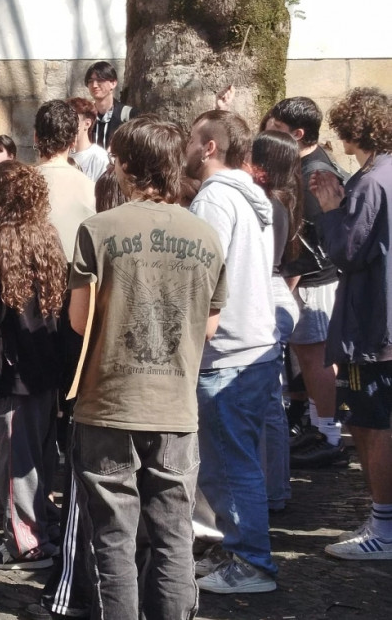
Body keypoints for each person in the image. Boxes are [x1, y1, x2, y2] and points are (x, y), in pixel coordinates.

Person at [66, 117, 227, 620]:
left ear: (128, 165)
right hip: (175, 406)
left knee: (114, 541)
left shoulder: (99, 229)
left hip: (110, 402)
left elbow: (79, 321)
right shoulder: (205, 235)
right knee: (174, 537)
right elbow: (210, 327)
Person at [187, 110, 280, 593]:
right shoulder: (250, 197)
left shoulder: (215, 200)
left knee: (231, 462)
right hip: (255, 344)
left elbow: (203, 280)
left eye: (191, 138)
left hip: (229, 351)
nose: (186, 145)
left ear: (209, 148)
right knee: (237, 460)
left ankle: (253, 564)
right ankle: (239, 550)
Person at [0, 160, 69, 571]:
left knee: (12, 465)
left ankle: (26, 545)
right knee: (39, 460)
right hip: (49, 368)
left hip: (14, 373)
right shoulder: (48, 240)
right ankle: (36, 532)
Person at [309, 87, 392, 560]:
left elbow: (346, 252)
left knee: (370, 421)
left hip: (372, 325)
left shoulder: (370, 182)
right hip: (380, 318)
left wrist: (331, 210)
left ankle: (383, 524)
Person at [265, 96, 348, 467]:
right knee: (309, 358)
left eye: (277, 131)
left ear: (298, 134)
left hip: (313, 283)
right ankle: (318, 425)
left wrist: (287, 287)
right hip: (307, 281)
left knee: (316, 360)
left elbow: (307, 240)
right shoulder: (305, 168)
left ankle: (329, 434)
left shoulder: (312, 173)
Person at [249, 131, 303, 513]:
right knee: (271, 401)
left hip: (267, 291)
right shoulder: (283, 198)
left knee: (268, 402)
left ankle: (272, 491)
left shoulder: (268, 203)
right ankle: (275, 488)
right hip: (275, 289)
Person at [34, 100, 96, 259]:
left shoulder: (16, 184)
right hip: (76, 279)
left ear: (35, 137)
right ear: (74, 140)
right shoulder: (91, 189)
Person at [85, 61, 137, 149]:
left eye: (100, 80)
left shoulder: (129, 116)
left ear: (113, 83)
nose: (94, 85)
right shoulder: (85, 117)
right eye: (90, 81)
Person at [66, 98, 111, 182]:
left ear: (87, 124)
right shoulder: (63, 155)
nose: (68, 125)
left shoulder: (100, 158)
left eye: (73, 121)